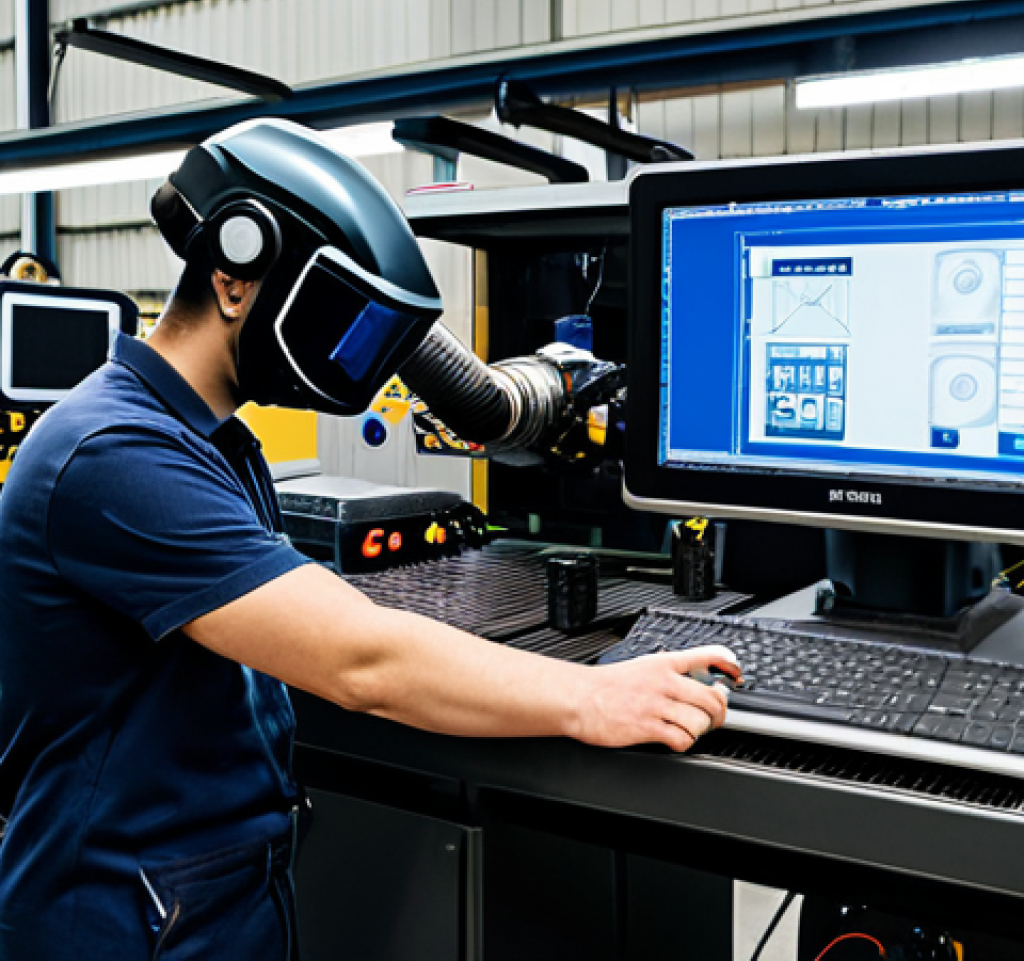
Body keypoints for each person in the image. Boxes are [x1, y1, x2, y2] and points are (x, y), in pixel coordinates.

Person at [0, 120, 740, 960]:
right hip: (117, 920)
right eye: (342, 317)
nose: (355, 359)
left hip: (194, 897)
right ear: (236, 277)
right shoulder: (111, 454)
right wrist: (590, 696)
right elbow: (362, 663)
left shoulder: (202, 439)